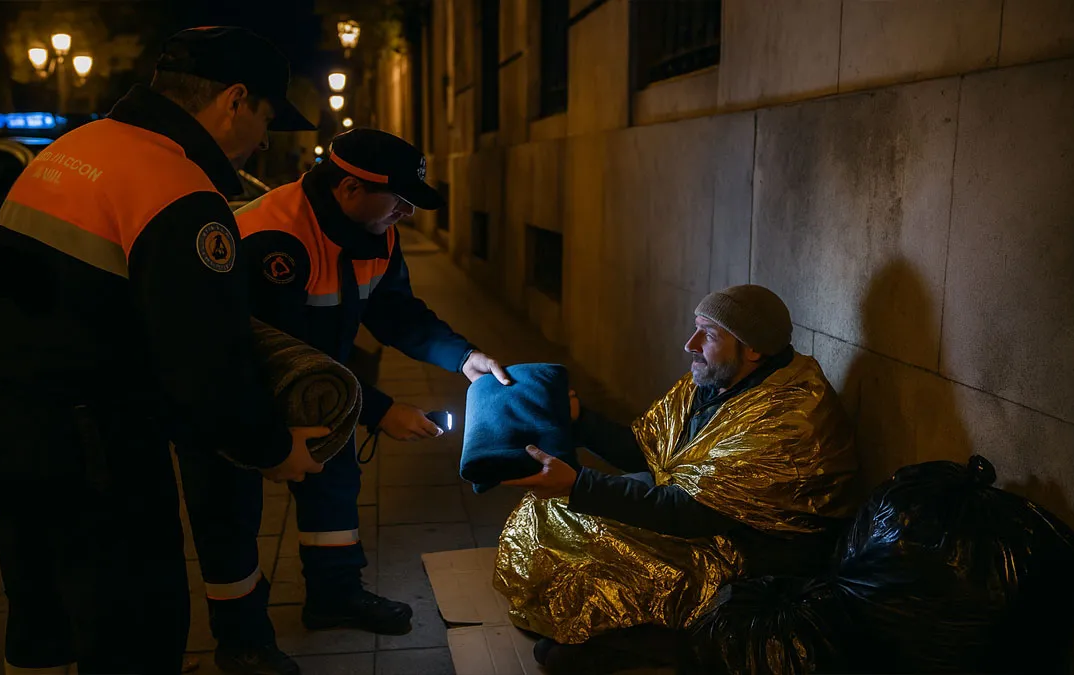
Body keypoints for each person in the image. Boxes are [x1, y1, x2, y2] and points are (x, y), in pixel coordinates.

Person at [0, 27, 323, 675]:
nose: (267, 139)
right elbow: (204, 366)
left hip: (4, 427)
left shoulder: (73, 151)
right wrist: (275, 449)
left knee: (42, 619)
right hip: (99, 454)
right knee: (135, 628)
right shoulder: (176, 190)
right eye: (269, 116)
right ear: (235, 100)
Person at [176, 128, 510, 672]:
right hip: (231, 384)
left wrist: (462, 356)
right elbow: (283, 356)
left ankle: (333, 596)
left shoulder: (374, 227)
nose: (404, 212)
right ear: (350, 188)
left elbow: (395, 312)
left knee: (333, 478)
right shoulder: (273, 238)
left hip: (316, 383)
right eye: (398, 199)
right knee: (229, 508)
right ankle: (241, 638)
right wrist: (380, 412)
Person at [495, 284, 859, 673]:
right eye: (696, 327)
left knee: (590, 545)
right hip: (694, 519)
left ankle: (651, 640)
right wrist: (579, 420)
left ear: (752, 349)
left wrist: (578, 486)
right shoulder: (715, 380)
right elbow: (647, 449)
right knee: (547, 511)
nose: (691, 343)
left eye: (710, 334)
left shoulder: (789, 415)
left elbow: (688, 512)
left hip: (749, 561)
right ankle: (596, 630)